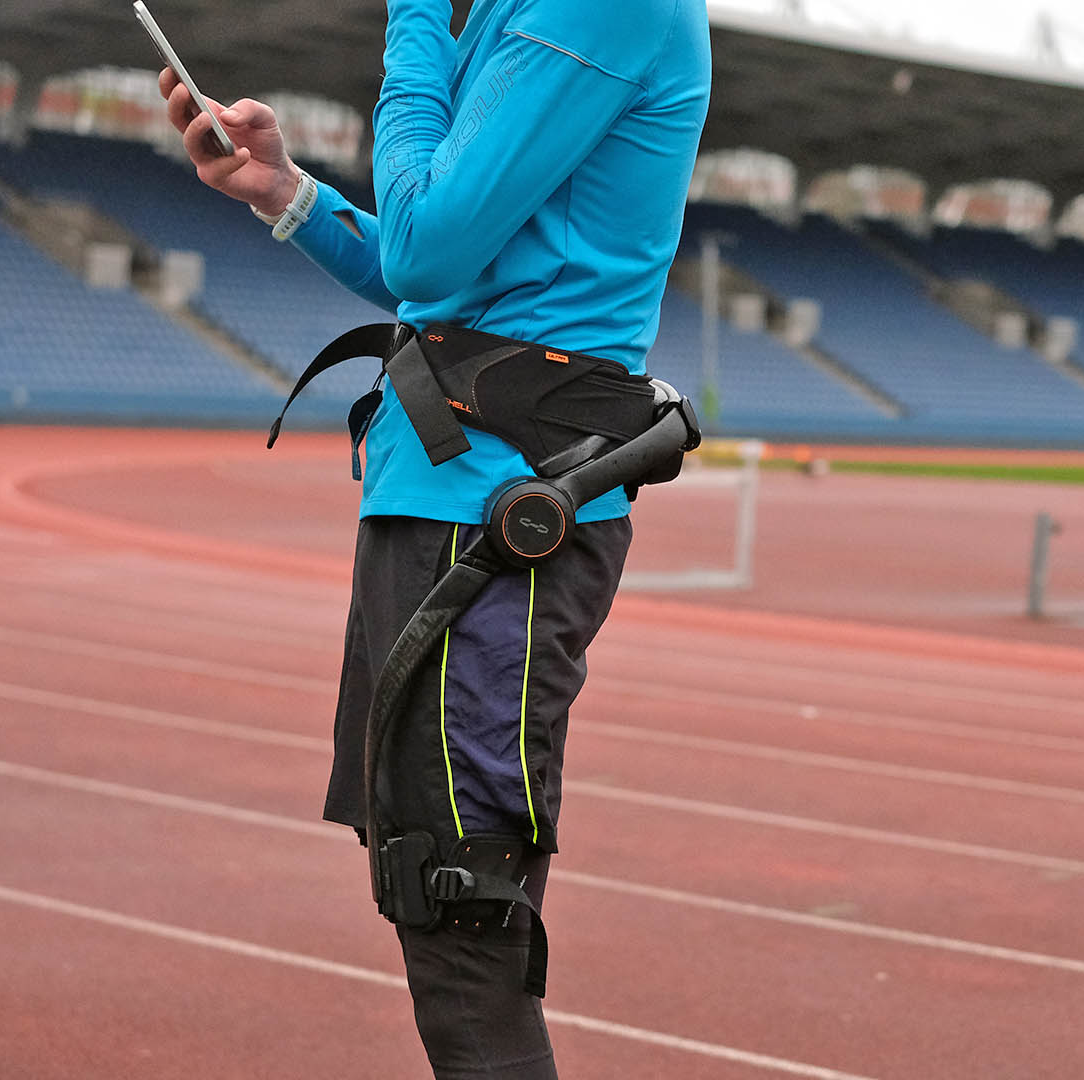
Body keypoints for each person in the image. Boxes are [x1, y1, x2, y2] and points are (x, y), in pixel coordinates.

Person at [162, 0, 710, 1075]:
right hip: (446, 494)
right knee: (428, 888)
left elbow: (425, 244)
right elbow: (436, 276)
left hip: (503, 515)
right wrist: (287, 194)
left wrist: (413, 16)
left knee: (462, 921)